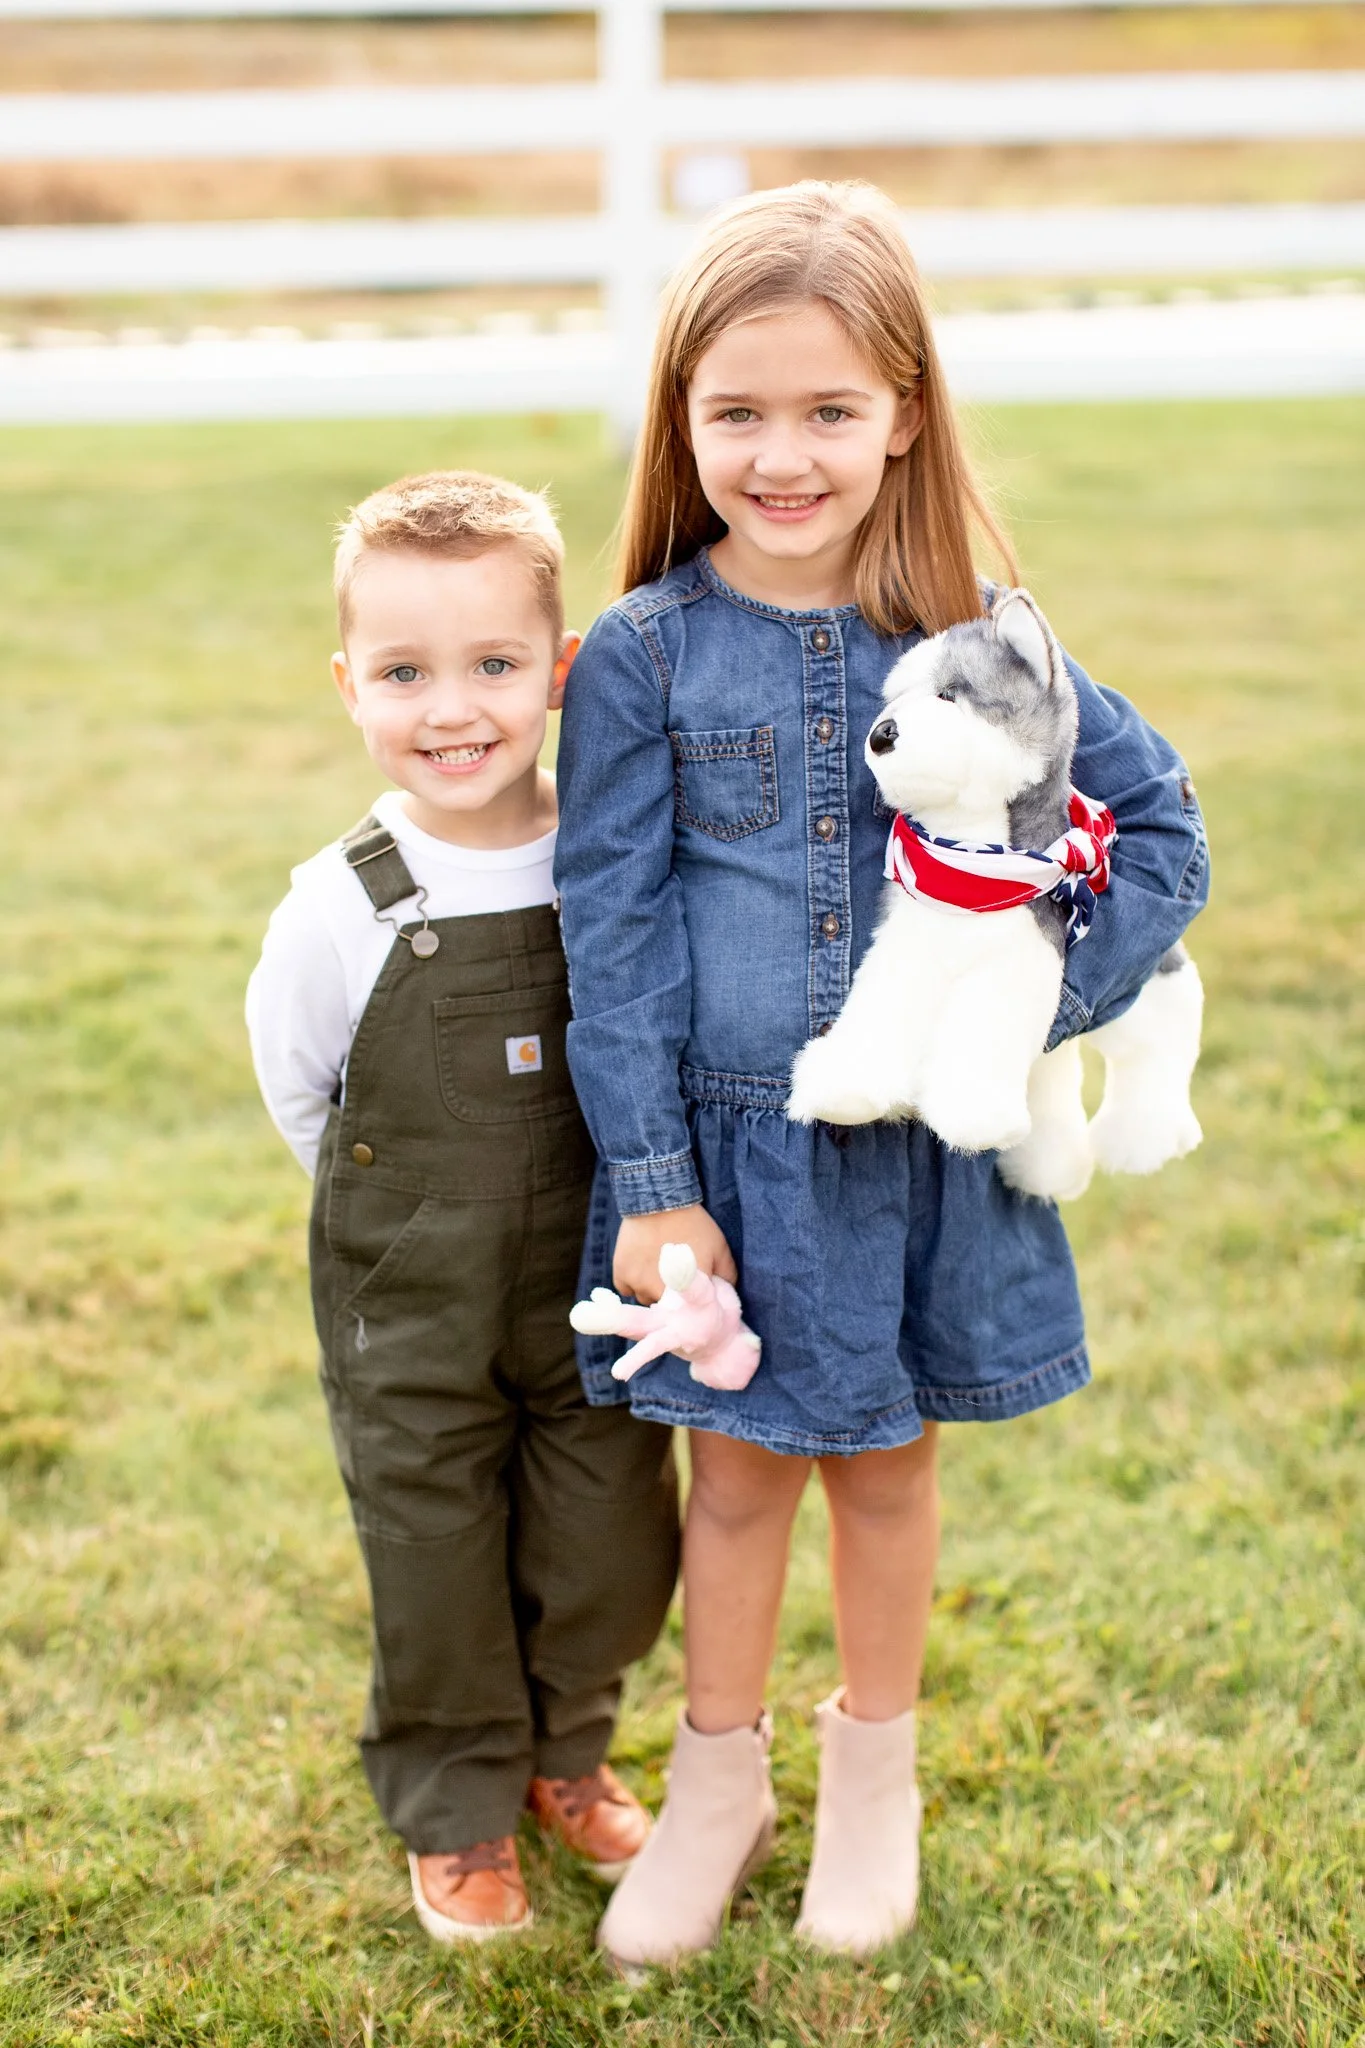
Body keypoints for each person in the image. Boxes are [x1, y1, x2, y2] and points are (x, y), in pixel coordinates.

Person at [554, 182, 1209, 1967]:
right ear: (679, 418)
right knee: (744, 1477)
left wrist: (1034, 1003)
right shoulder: (637, 658)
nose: (783, 453)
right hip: (732, 1161)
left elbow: (1160, 825)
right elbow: (611, 934)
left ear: (904, 410)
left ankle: (874, 1778)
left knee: (896, 1467)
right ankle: (717, 1779)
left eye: (831, 410)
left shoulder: (981, 633)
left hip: (922, 1160)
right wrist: (650, 1183)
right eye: (737, 413)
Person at [245, 471, 679, 1944]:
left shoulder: (604, 860)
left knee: (606, 1541)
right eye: (406, 673)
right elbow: (305, 1091)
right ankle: (457, 1807)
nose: (454, 708)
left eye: (496, 665)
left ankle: (568, 1754)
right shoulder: (341, 902)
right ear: (349, 686)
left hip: (588, 1280)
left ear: (559, 672)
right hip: (413, 1301)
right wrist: (404, 1216)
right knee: (434, 1558)